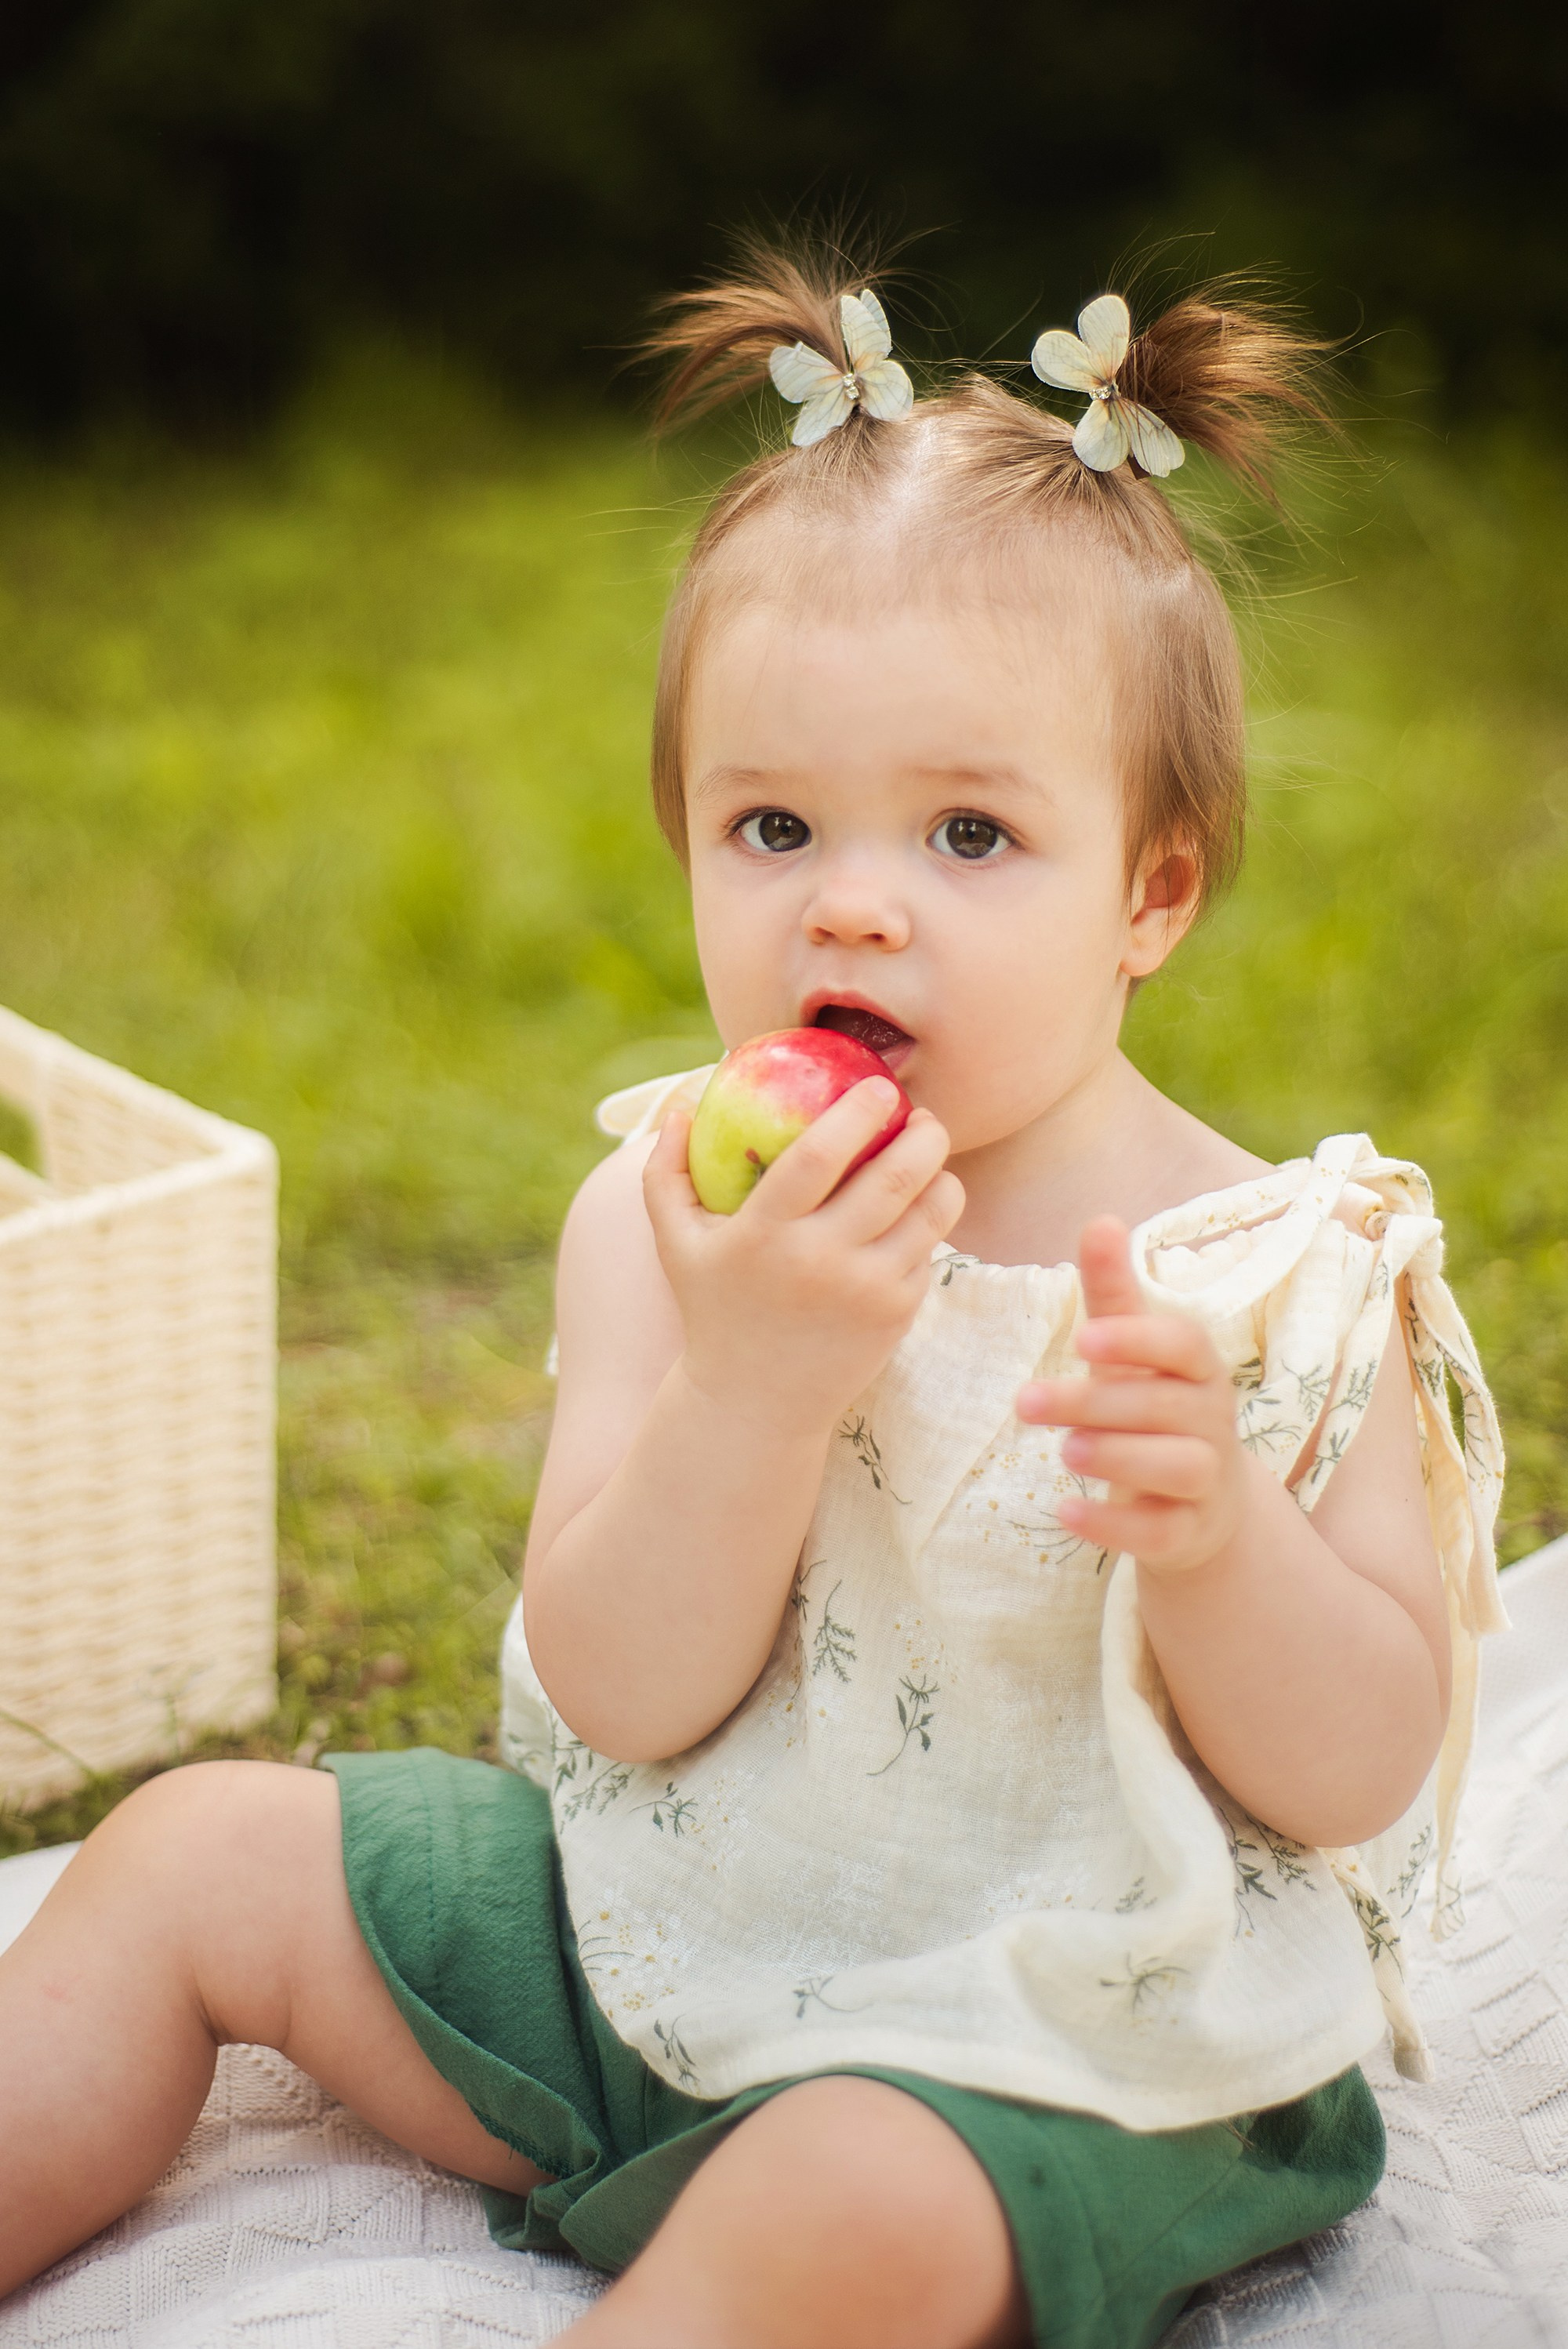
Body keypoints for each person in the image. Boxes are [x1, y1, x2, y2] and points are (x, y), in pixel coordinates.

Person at [0, 241, 1507, 2349]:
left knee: (855, 2186)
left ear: (1151, 889)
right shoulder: (665, 1220)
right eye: (773, 822)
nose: (855, 901)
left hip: (1071, 2050)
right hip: (664, 1942)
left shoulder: (1278, 1279)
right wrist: (751, 1386)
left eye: (974, 834)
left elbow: (1362, 1766)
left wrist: (1222, 1540)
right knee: (183, 1857)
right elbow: (616, 1693)